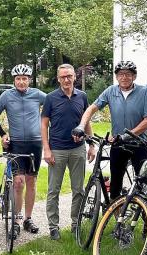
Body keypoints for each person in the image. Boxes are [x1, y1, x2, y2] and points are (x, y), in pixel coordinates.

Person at [73, 60, 147, 200]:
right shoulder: (111, 91)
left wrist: (127, 136)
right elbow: (91, 109)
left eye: (128, 74)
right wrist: (81, 126)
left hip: (139, 144)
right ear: (116, 77)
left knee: (145, 183)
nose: (124, 77)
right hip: (118, 144)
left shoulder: (143, 92)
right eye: (121, 74)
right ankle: (116, 216)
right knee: (116, 182)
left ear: (134, 76)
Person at [0, 64, 46, 237]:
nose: (21, 82)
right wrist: (3, 134)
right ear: (14, 80)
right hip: (16, 145)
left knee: (31, 181)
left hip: (35, 144)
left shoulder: (37, 94)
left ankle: (28, 218)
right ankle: (16, 220)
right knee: (18, 182)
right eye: (18, 79)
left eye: (24, 79)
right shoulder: (7, 96)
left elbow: (53, 106)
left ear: (29, 79)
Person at [41, 64, 89, 240]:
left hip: (78, 150)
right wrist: (46, 149)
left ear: (74, 76)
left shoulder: (82, 96)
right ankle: (53, 227)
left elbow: (86, 120)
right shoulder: (51, 98)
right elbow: (44, 124)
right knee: (54, 190)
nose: (66, 80)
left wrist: (90, 144)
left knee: (79, 190)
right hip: (57, 150)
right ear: (58, 78)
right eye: (63, 77)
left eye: (69, 76)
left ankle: (76, 224)